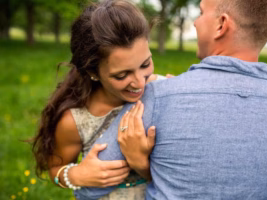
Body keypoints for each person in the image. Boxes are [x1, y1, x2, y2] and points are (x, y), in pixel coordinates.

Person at [80, 0, 267, 199]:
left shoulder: (157, 97)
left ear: (221, 25)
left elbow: (90, 186)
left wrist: (142, 166)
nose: (195, 23)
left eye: (202, 12)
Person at [31, 0, 166, 199]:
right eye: (122, 75)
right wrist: (77, 175)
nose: (139, 82)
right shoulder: (75, 120)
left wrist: (140, 162)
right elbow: (55, 170)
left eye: (145, 64)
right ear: (93, 72)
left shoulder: (160, 92)